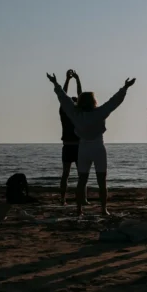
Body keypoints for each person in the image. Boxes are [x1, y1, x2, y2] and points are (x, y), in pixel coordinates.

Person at [47, 73, 135, 216]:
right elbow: (114, 102)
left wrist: (55, 83)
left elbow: (63, 99)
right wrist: (125, 87)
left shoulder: (75, 114)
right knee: (102, 180)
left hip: (83, 148)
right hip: (98, 147)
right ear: (94, 101)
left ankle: (79, 209)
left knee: (82, 180)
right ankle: (103, 209)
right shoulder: (99, 112)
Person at [58, 69, 87, 206]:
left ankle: (63, 199)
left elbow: (63, 96)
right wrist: (76, 79)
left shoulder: (65, 112)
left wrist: (69, 79)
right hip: (76, 146)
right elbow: (79, 95)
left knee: (66, 174)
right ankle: (82, 199)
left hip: (69, 146)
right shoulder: (77, 113)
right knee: (81, 175)